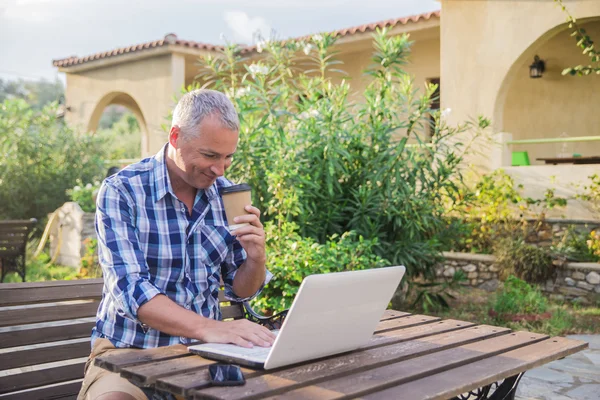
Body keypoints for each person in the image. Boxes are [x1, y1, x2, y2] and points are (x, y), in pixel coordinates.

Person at [78, 89, 275, 400]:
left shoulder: (225, 196)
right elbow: (131, 290)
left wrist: (256, 259)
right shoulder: (122, 192)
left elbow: (242, 290)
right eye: (210, 155)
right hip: (128, 353)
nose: (220, 170)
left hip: (204, 356)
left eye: (227, 157)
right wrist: (212, 329)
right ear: (175, 136)